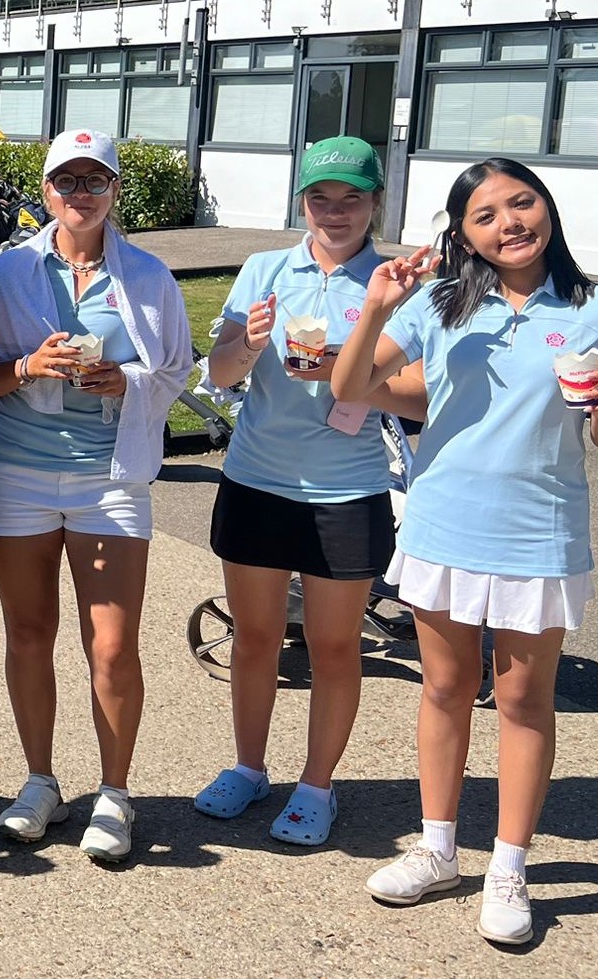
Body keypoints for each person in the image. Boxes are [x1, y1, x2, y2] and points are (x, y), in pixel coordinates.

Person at [333, 158, 598, 945]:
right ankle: (438, 849)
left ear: (547, 208)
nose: (509, 222)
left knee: (523, 701)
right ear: (463, 234)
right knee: (442, 686)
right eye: (485, 214)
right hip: (445, 523)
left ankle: (508, 864)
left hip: (541, 529)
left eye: (521, 202)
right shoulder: (440, 304)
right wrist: (376, 306)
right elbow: (350, 384)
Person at [194, 137, 428, 846]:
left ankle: (316, 785)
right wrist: (251, 345)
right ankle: (247, 766)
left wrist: (349, 372)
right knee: (256, 638)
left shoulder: (394, 284)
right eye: (320, 198)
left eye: (351, 198)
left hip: (349, 488)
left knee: (333, 646)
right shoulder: (266, 269)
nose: (334, 212)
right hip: (258, 479)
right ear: (301, 201)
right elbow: (222, 370)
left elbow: (419, 395)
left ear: (375, 203)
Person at [0, 129, 192, 862]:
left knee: (113, 642)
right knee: (28, 632)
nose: (81, 194)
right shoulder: (8, 273)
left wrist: (124, 380)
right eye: (67, 181)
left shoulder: (149, 276)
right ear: (46, 192)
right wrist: (31, 364)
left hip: (111, 476)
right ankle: (39, 780)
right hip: (17, 471)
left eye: (96, 181)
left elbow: (177, 370)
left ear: (115, 192)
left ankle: (116, 791)